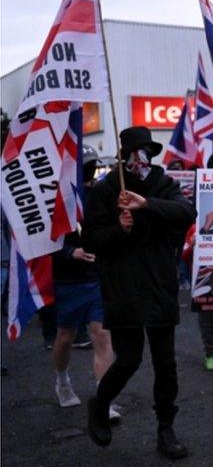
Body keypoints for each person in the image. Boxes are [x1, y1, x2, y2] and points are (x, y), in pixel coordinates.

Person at [83, 126, 196, 459]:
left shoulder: (162, 182)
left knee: (165, 362)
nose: (139, 160)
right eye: (133, 153)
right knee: (129, 358)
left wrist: (146, 204)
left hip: (159, 283)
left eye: (145, 153)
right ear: (123, 156)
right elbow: (91, 238)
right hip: (123, 286)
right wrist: (119, 229)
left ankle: (166, 429)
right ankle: (100, 403)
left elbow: (186, 213)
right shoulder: (105, 190)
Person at [51, 146, 118, 420]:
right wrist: (71, 252)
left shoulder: (99, 197)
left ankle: (104, 398)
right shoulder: (57, 202)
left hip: (96, 278)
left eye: (92, 167)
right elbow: (43, 245)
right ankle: (62, 379)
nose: (90, 174)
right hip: (68, 280)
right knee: (65, 337)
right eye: (86, 168)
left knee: (102, 335)